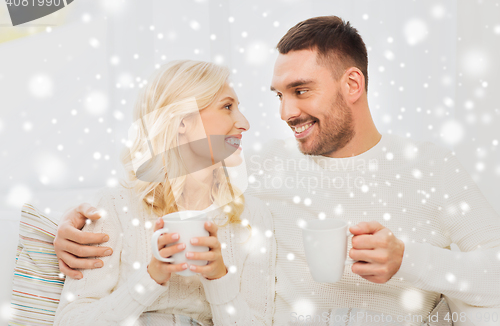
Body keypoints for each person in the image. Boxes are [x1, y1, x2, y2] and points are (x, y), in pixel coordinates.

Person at [55, 16, 500, 326]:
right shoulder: (258, 169)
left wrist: (409, 260)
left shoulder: (430, 168)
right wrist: (68, 226)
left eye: (301, 91)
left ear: (352, 85)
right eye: (278, 95)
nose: (286, 112)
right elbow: (161, 172)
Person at [53, 60, 276, 325]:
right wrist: (150, 278)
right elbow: (70, 321)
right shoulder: (115, 206)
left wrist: (218, 278)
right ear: (182, 122)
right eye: (227, 107)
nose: (244, 123)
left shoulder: (252, 217)